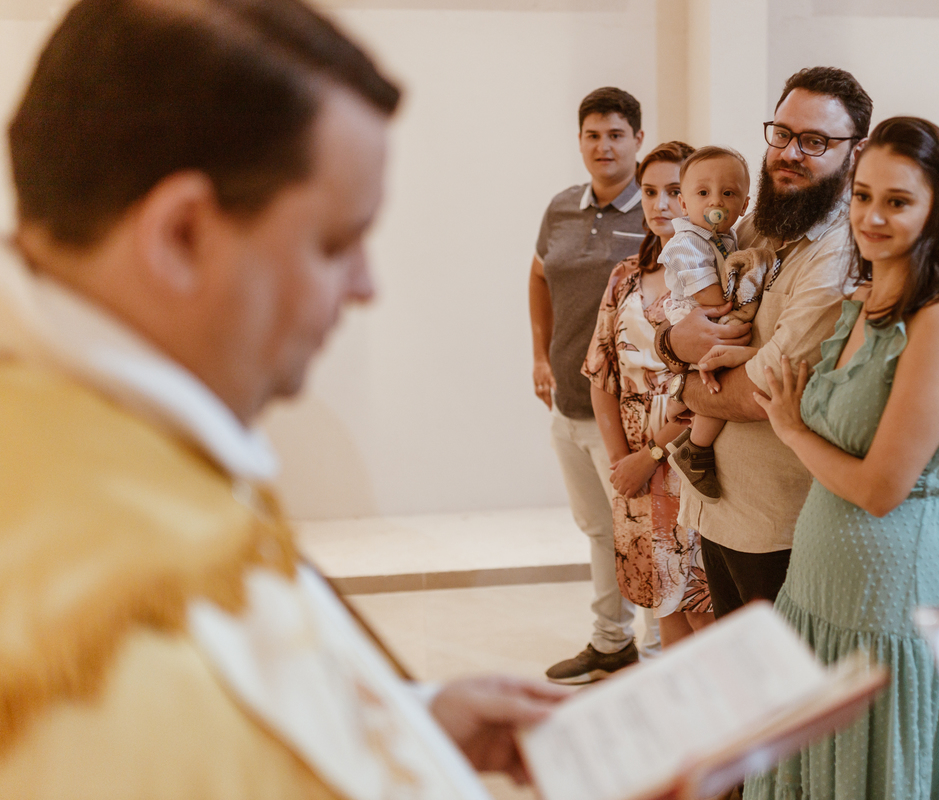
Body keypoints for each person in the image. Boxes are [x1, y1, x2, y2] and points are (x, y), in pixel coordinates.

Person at [0, 0, 568, 795]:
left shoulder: (71, 427)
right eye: (336, 244)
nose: (366, 287)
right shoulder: (111, 658)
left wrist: (405, 723)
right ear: (180, 237)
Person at [746, 116, 939, 800]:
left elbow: (881, 488)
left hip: (888, 594)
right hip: (819, 584)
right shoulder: (864, 299)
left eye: (897, 201)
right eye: (862, 195)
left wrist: (791, 429)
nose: (871, 216)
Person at [656, 66, 872, 618]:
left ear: (856, 150)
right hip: (720, 508)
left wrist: (681, 377)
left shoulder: (838, 255)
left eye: (815, 141)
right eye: (782, 133)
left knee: (784, 694)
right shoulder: (757, 227)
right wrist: (674, 341)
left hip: (782, 526)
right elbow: (684, 324)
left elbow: (762, 393)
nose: (791, 152)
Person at [531, 87, 662, 684]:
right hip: (571, 403)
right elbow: (538, 276)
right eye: (592, 134)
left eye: (616, 134)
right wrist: (540, 354)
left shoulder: (658, 211)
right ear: (580, 141)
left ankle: (661, 656)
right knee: (599, 530)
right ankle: (611, 641)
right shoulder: (561, 207)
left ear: (637, 138)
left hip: (636, 415)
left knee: (651, 531)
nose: (603, 145)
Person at [583, 141, 715, 649]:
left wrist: (652, 454)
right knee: (666, 614)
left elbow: (709, 383)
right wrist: (622, 463)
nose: (661, 204)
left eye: (676, 191)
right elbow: (601, 374)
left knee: (706, 618)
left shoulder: (713, 283)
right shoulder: (624, 279)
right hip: (638, 481)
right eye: (652, 191)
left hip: (694, 470)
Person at [656, 146, 771, 502]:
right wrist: (750, 283)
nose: (714, 201)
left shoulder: (730, 238)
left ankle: (689, 434)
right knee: (717, 382)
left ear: (745, 204)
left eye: (728, 193)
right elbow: (711, 297)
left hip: (711, 317)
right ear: (684, 203)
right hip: (693, 315)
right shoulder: (685, 242)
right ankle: (696, 449)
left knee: (719, 379)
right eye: (702, 193)